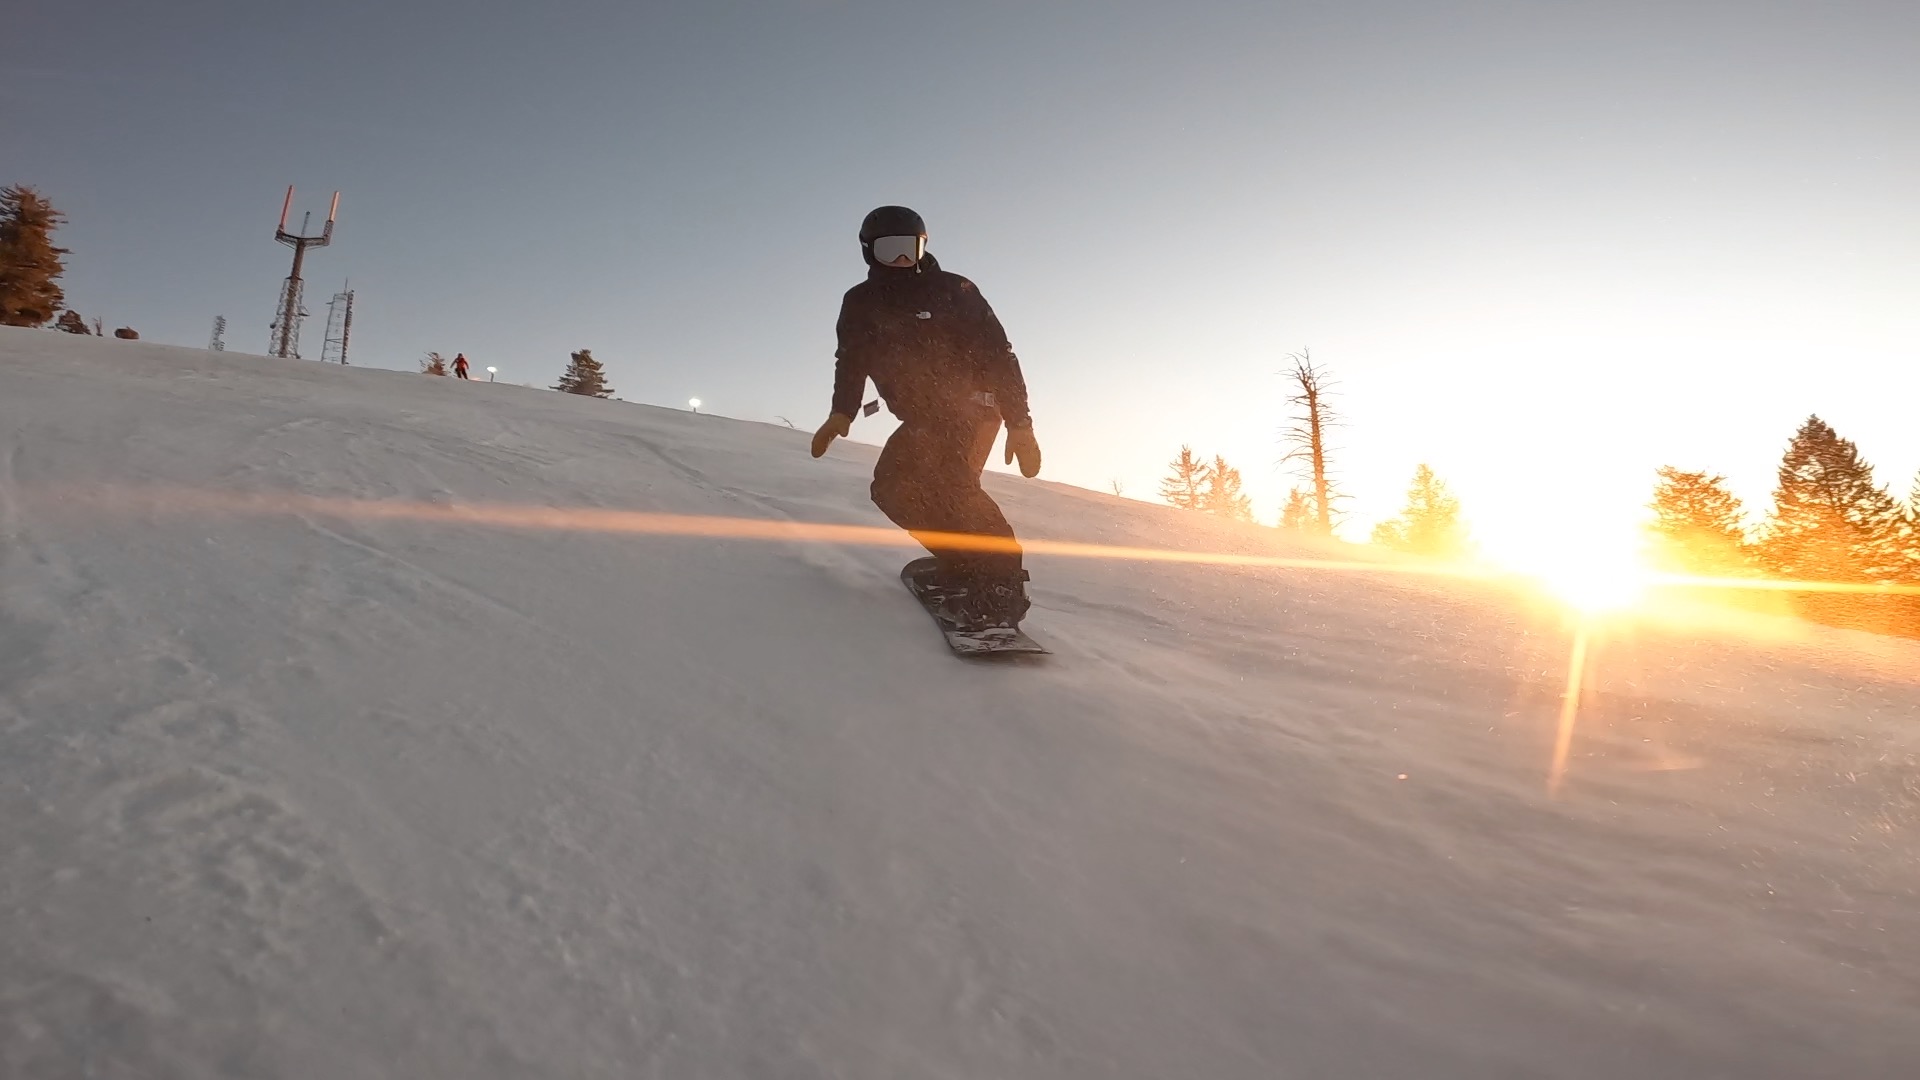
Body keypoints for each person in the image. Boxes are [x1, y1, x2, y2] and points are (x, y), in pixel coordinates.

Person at [809, 205, 1043, 630]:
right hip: (923, 418)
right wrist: (842, 411)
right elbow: (851, 359)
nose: (902, 260)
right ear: (868, 252)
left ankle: (1002, 587)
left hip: (973, 408)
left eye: (910, 249)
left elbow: (1000, 357)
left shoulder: (955, 290)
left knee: (954, 486)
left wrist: (1019, 422)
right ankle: (966, 565)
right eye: (890, 250)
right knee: (891, 489)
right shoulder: (859, 302)